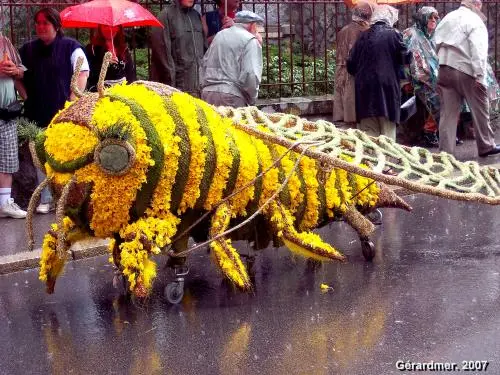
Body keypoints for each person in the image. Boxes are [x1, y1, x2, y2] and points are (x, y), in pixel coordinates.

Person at [20, 7, 89, 213]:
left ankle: (69, 198)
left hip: (63, 112)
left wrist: (71, 104)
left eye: (45, 23)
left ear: (56, 26)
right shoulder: (28, 50)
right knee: (40, 154)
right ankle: (47, 198)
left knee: (64, 156)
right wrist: (26, 96)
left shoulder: (71, 47)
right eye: (38, 23)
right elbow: (17, 75)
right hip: (37, 111)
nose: (41, 27)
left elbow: (82, 74)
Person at [433, 0, 500, 157]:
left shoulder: (447, 18)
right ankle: (486, 145)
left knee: (447, 113)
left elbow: (436, 42)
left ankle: (445, 153)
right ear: (476, 5)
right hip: (465, 69)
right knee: (480, 107)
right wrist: (480, 75)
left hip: (444, 67)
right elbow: (478, 49)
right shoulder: (475, 21)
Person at [347, 5, 411, 140]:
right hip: (387, 91)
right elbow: (406, 59)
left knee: (369, 136)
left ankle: (370, 160)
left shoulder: (362, 36)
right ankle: (386, 160)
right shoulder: (394, 35)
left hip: (364, 91)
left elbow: (351, 65)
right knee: (387, 135)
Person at [200, 10, 263, 107]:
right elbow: (250, 74)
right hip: (232, 95)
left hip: (208, 93)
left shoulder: (219, 35)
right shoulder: (250, 40)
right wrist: (252, 98)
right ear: (252, 25)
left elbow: (204, 63)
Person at [402, 7, 440, 147]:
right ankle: (430, 131)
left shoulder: (433, 34)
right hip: (417, 79)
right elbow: (404, 58)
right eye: (430, 17)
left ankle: (439, 130)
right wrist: (406, 80)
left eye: (435, 18)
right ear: (423, 18)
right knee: (437, 100)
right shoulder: (410, 34)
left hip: (433, 78)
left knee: (451, 96)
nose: (433, 20)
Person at [150, 0, 206, 97]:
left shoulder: (196, 16)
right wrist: (171, 87)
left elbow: (204, 50)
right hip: (178, 88)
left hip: (198, 88)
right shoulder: (165, 16)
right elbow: (162, 55)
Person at [333, 1, 375, 125]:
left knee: (344, 106)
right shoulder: (365, 31)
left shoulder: (344, 30)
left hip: (341, 70)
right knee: (354, 109)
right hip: (354, 72)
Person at [0, 33, 27, 218]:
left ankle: (4, 204)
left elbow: (21, 70)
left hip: (7, 111)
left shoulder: (4, 41)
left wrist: (15, 71)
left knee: (7, 160)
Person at [85, 25, 136, 91]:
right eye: (105, 26)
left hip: (124, 91)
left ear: (119, 29)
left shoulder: (123, 49)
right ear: (100, 28)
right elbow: (88, 73)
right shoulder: (92, 49)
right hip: (100, 93)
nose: (110, 29)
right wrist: (105, 64)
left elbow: (130, 74)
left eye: (114, 26)